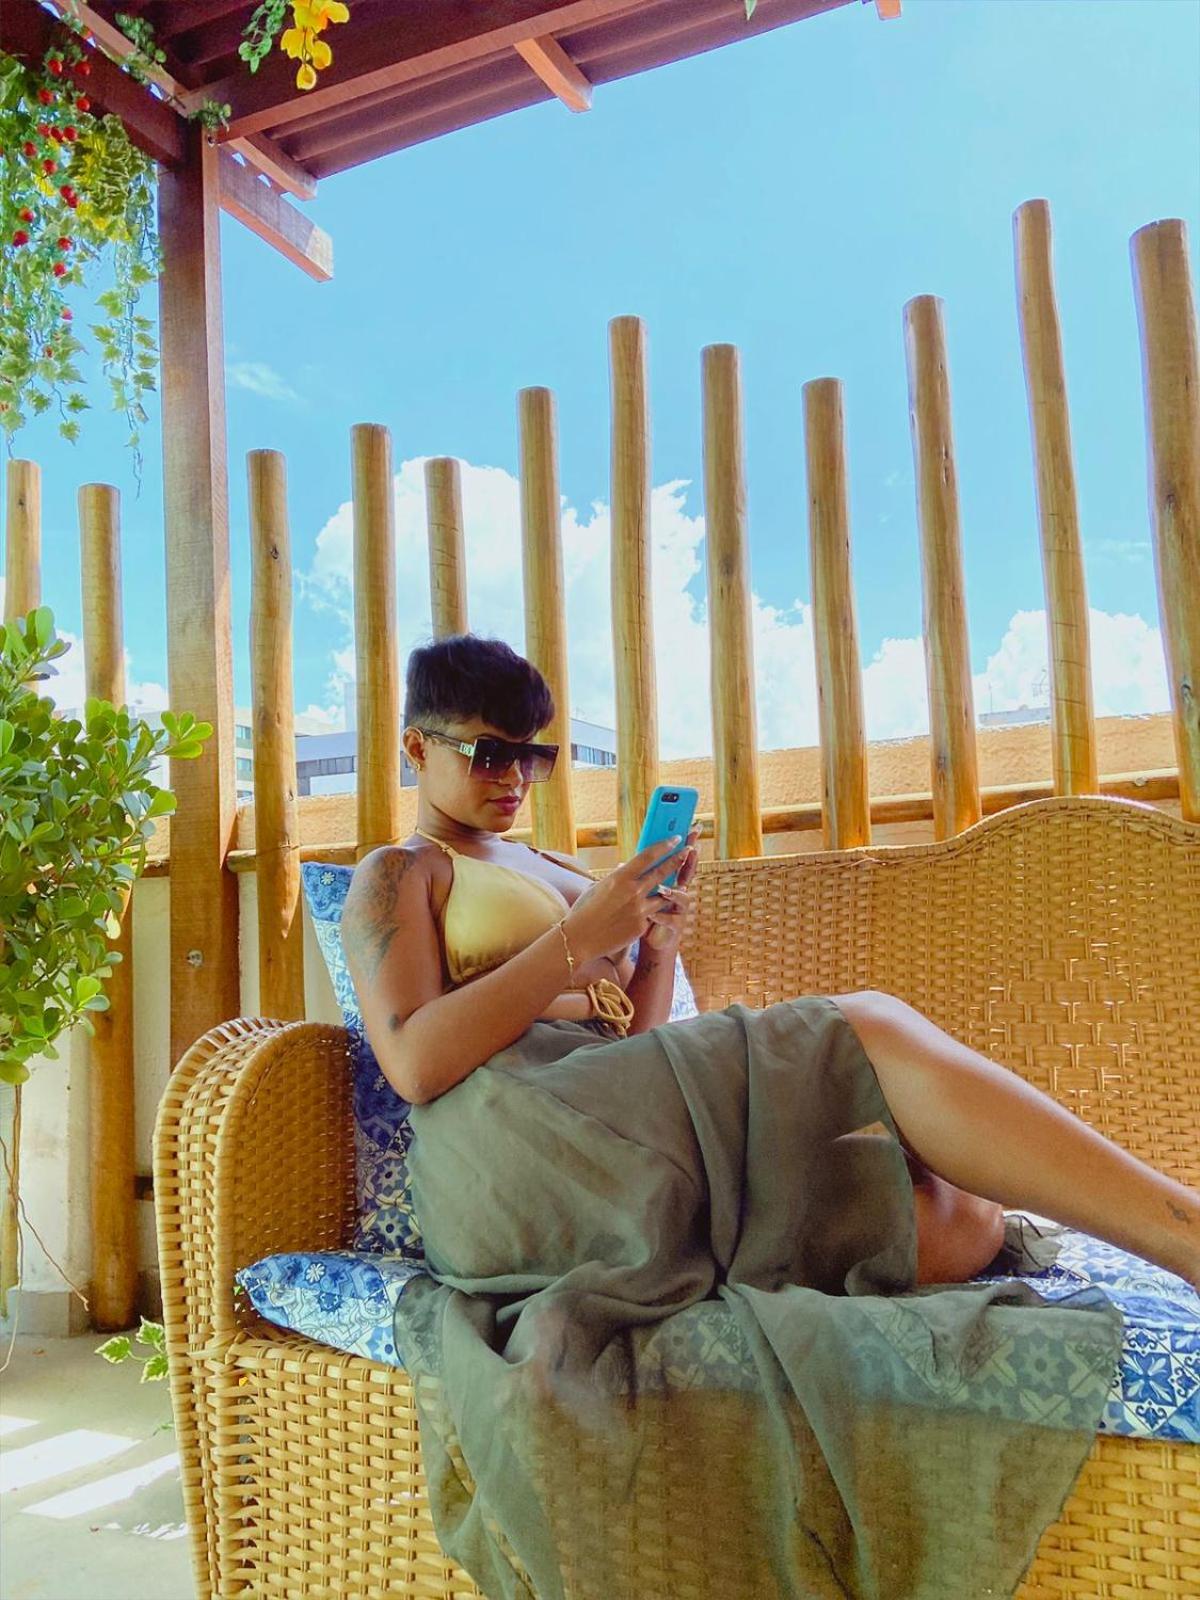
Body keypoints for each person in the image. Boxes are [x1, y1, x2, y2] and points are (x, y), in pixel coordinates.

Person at [343, 633, 1197, 1600]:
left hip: (614, 1116)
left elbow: (632, 1040)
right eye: (489, 754)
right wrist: (579, 938)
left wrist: (654, 951)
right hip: (511, 1142)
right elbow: (412, 1061)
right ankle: (1189, 1232)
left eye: (534, 756)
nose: (515, 778)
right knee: (867, 1025)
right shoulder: (401, 871)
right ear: (417, 748)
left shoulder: (545, 863)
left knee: (962, 1221)